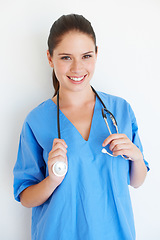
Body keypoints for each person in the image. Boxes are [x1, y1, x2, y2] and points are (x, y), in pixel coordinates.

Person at [13, 14, 149, 240]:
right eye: (66, 57)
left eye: (86, 56)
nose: (77, 68)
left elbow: (136, 181)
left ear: (97, 53)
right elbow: (25, 197)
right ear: (50, 58)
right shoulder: (36, 120)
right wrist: (52, 180)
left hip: (115, 233)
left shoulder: (120, 111)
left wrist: (136, 156)